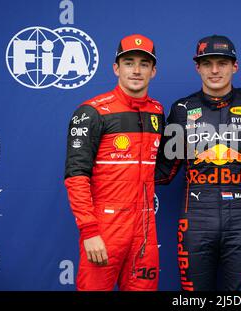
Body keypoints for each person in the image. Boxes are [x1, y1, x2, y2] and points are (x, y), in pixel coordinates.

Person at [156, 35, 241, 291]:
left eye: (222, 63)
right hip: (195, 219)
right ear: (198, 67)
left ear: (235, 66)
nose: (215, 70)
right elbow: (164, 171)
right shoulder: (182, 109)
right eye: (207, 64)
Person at [64, 34, 164, 291]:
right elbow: (76, 175)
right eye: (129, 62)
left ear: (153, 71)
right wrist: (89, 231)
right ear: (116, 68)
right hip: (105, 229)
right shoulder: (92, 112)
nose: (136, 70)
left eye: (144, 64)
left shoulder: (157, 111)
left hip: (145, 230)